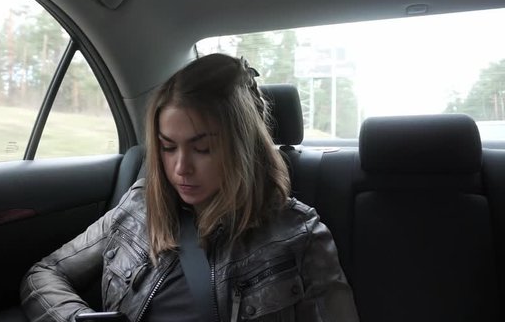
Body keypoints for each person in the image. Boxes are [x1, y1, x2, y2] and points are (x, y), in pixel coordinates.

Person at [20, 53, 359, 322]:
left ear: (242, 149)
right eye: (168, 147)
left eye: (202, 149)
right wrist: (77, 317)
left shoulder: (300, 238)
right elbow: (44, 274)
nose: (180, 168)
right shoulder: (138, 209)